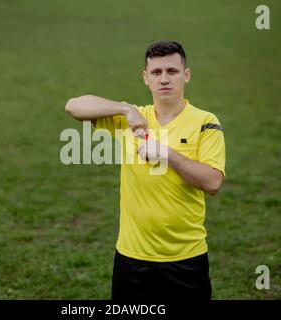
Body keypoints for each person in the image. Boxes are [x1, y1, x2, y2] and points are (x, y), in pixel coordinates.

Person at [65, 40, 226, 301]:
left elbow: (213, 183)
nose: (164, 79)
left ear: (186, 75)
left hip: (186, 257)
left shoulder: (205, 122)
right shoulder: (132, 118)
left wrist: (168, 154)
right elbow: (73, 106)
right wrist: (124, 108)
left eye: (172, 72)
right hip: (132, 258)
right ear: (146, 78)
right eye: (156, 72)